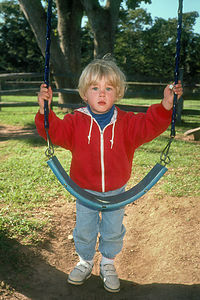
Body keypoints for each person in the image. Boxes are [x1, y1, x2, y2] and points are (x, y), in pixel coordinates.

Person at [35, 58, 183, 293]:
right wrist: (45, 110)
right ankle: (85, 261)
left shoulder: (127, 123)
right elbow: (55, 132)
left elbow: (149, 125)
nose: (101, 93)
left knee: (113, 231)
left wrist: (166, 105)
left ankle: (108, 263)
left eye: (108, 88)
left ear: (117, 93)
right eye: (95, 88)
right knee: (84, 229)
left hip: (116, 191)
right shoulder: (75, 121)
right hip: (83, 190)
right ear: (85, 94)